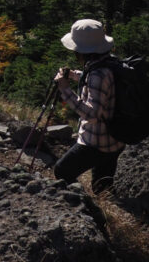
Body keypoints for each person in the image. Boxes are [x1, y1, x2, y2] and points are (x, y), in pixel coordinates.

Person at [52, 18, 124, 193]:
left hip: (95, 142)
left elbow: (91, 115)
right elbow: (98, 81)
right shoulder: (111, 63)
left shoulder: (97, 74)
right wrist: (75, 75)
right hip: (115, 139)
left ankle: (82, 206)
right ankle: (104, 213)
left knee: (62, 171)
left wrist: (65, 89)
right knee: (102, 187)